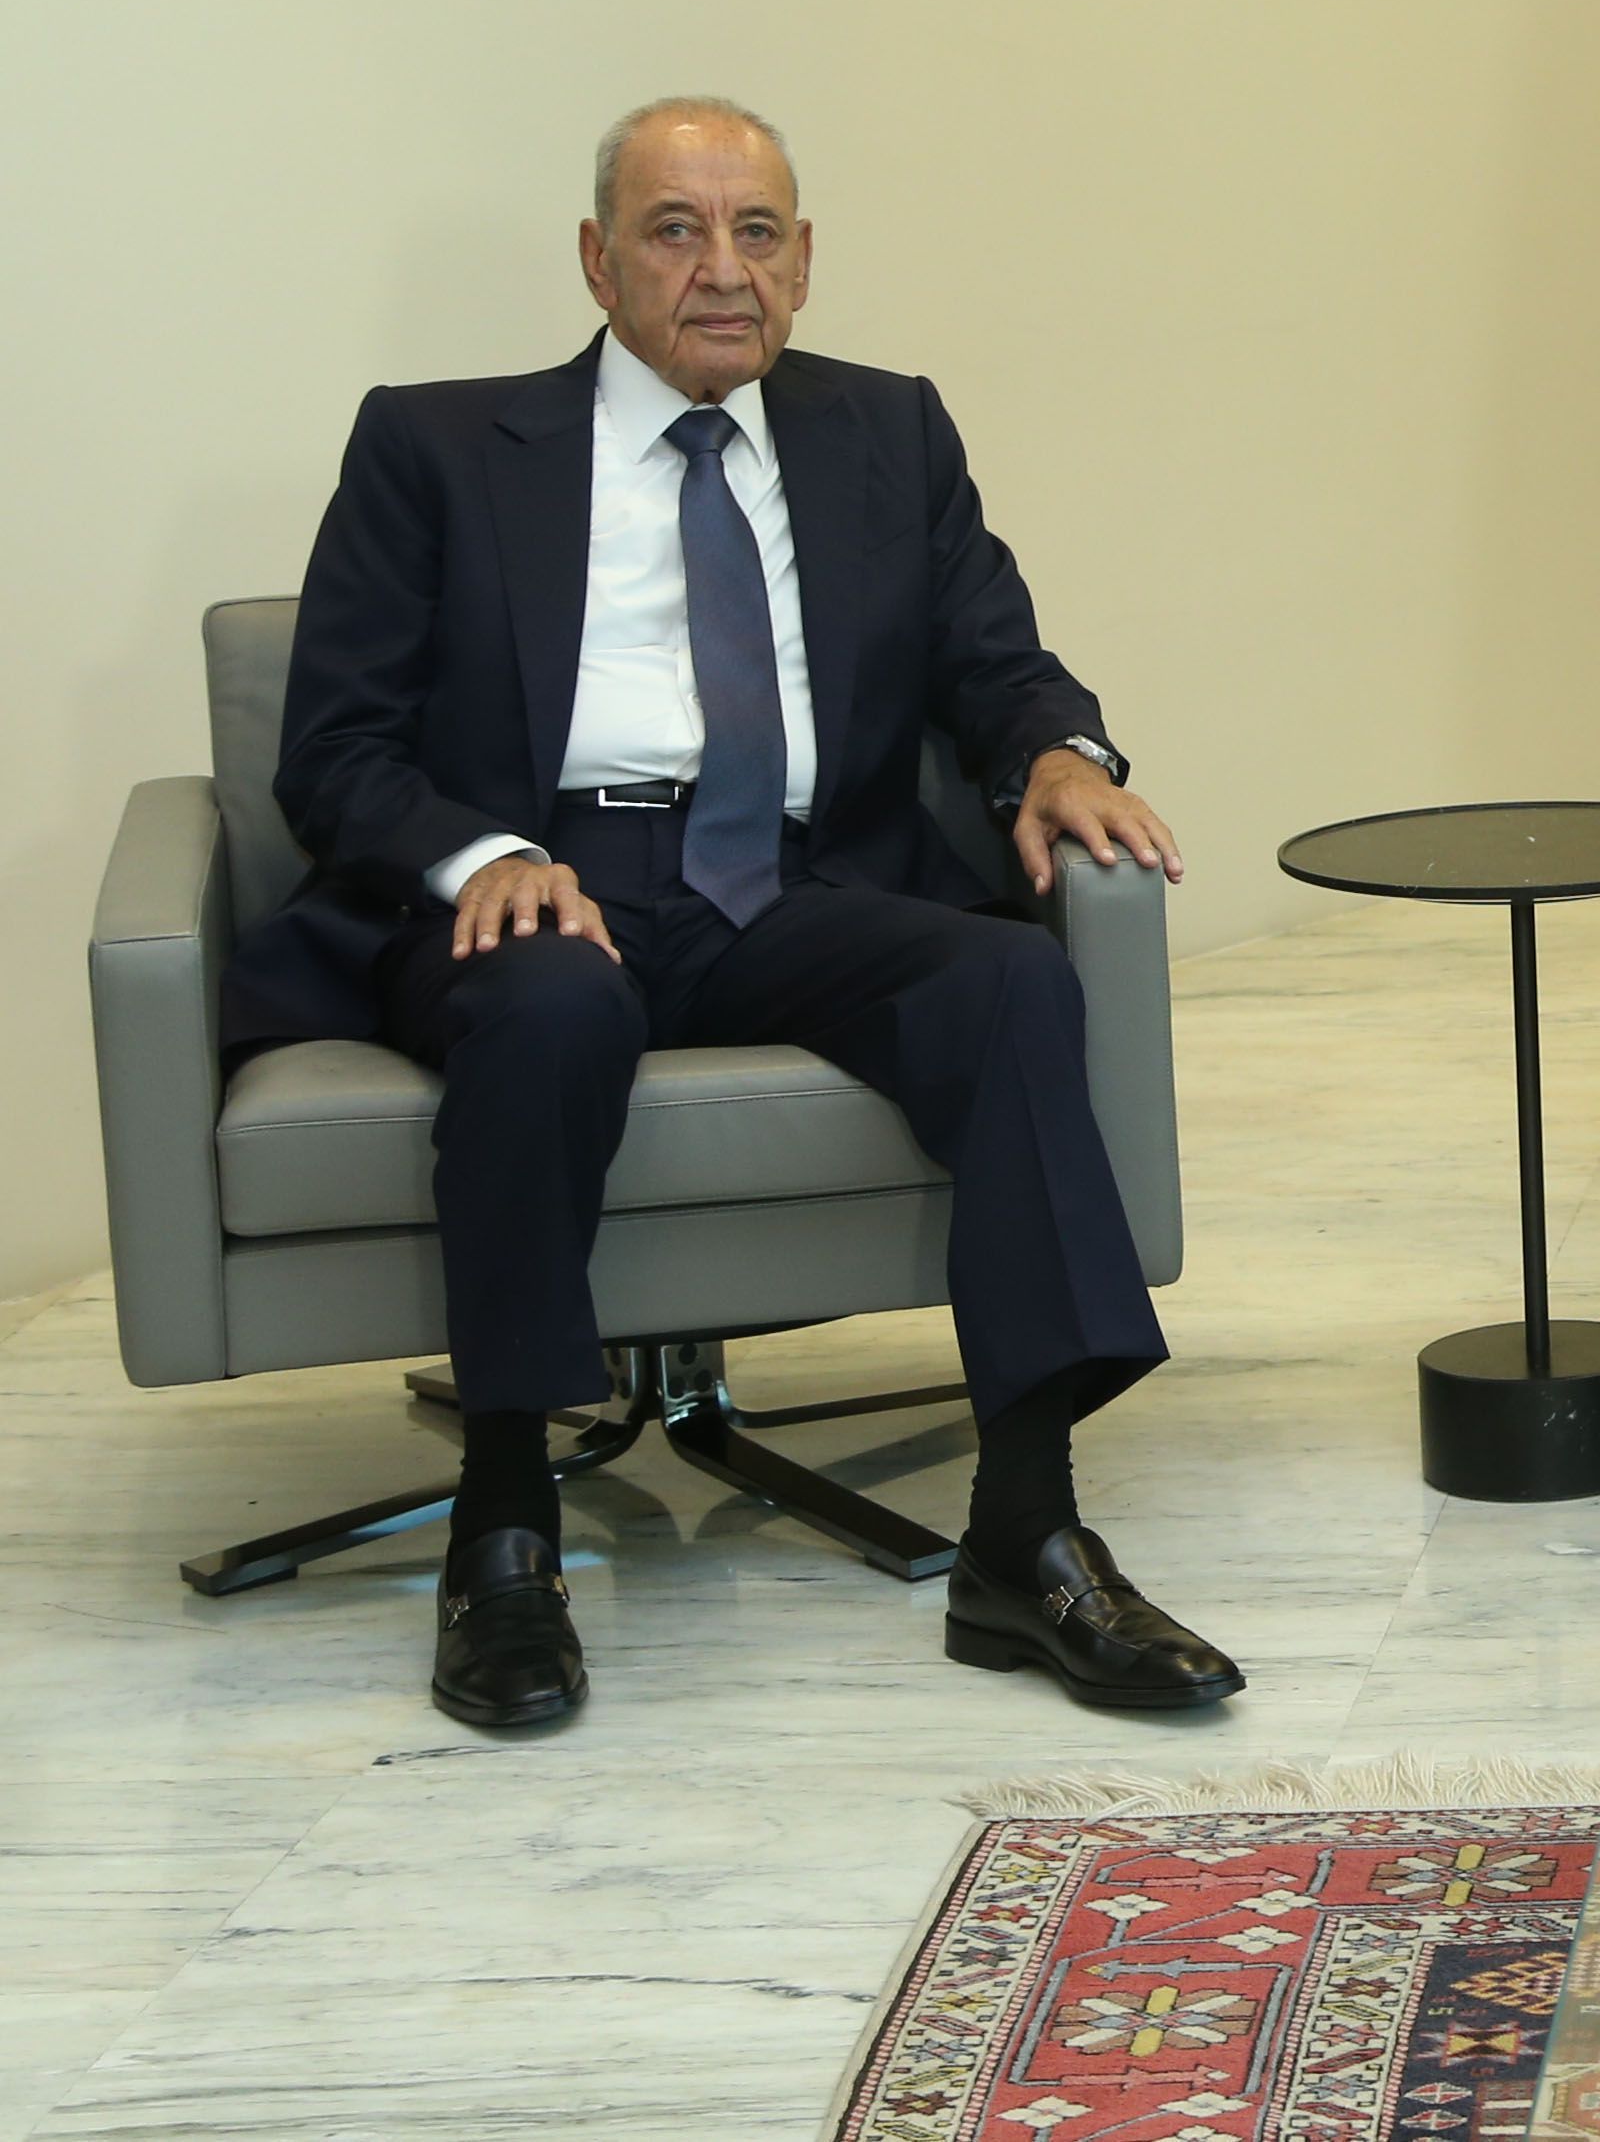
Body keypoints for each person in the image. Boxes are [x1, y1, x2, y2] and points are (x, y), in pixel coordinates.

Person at [234, 99, 1240, 1731]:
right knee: (549, 999)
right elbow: (333, 746)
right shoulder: (434, 446)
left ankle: (1029, 1532)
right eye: (676, 230)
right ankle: (504, 1525)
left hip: (791, 882)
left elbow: (994, 657)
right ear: (597, 262)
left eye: (757, 231)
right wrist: (483, 855)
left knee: (1007, 983)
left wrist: (1062, 753)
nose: (722, 268)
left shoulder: (886, 432)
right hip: (544, 884)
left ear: (805, 262)